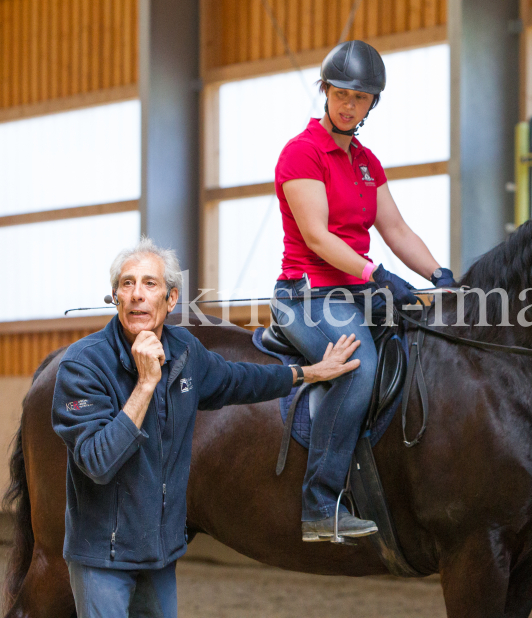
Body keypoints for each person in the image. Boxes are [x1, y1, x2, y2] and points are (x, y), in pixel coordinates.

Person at [51, 237, 361, 618]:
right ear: (115, 297)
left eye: (150, 284)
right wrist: (146, 384)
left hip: (160, 554)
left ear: (171, 298)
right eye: (127, 284)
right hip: (103, 557)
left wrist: (308, 372)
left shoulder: (184, 350)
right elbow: (97, 461)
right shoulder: (83, 365)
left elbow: (239, 379)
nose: (137, 295)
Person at [271, 39, 456, 542]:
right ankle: (319, 503)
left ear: (372, 103)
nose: (348, 104)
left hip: (358, 291)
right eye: (340, 93)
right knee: (359, 367)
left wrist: (440, 276)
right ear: (325, 91)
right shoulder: (302, 153)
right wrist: (377, 275)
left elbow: (395, 230)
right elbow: (317, 236)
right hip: (308, 296)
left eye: (360, 97)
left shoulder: (367, 162)